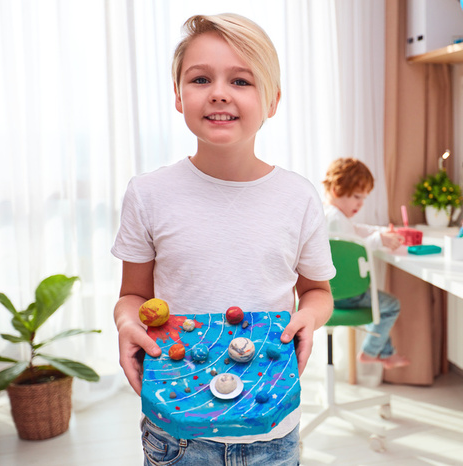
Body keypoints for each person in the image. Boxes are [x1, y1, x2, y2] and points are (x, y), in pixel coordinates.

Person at [111, 13, 335, 466]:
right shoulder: (148, 194)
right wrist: (126, 323)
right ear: (178, 96)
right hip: (176, 434)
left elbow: (317, 292)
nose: (219, 92)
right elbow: (133, 294)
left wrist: (309, 317)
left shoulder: (298, 197)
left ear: (272, 100)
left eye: (241, 80)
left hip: (272, 429)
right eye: (200, 78)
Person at [322, 158, 410, 370]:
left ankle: (386, 353)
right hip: (344, 294)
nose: (361, 203)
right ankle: (371, 352)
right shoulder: (336, 219)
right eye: (356, 197)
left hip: (331, 291)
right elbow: (352, 249)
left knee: (380, 306)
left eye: (364, 198)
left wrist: (378, 232)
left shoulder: (330, 214)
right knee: (389, 306)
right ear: (336, 190)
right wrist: (379, 240)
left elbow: (355, 232)